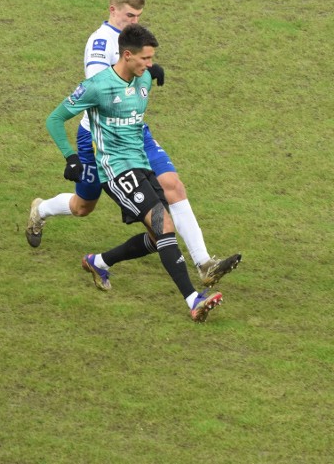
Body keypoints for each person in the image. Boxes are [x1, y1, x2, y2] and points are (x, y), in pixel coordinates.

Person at [26, 0, 241, 287]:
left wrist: (148, 69)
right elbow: (103, 88)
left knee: (173, 186)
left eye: (138, 16)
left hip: (134, 130)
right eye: (129, 15)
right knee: (83, 206)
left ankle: (204, 263)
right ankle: (42, 208)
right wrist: (144, 73)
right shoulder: (100, 43)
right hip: (100, 137)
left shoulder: (132, 39)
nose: (134, 21)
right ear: (112, 9)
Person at [45, 24, 222, 322]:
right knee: (164, 224)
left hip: (141, 164)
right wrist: (70, 156)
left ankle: (99, 262)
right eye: (146, 59)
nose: (151, 65)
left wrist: (153, 71)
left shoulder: (144, 80)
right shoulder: (97, 87)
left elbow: (148, 75)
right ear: (127, 55)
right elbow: (55, 118)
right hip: (116, 171)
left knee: (158, 238)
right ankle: (193, 299)